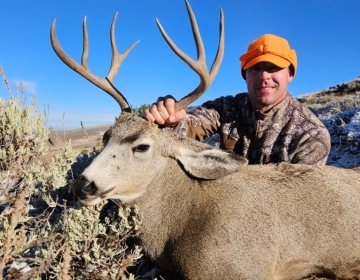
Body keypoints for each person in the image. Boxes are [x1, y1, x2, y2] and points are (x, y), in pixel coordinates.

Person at [144, 34, 331, 165]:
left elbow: (299, 200)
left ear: (290, 74)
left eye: (273, 68)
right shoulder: (227, 108)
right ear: (245, 76)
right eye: (255, 69)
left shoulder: (311, 136)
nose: (264, 76)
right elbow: (188, 125)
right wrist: (169, 118)